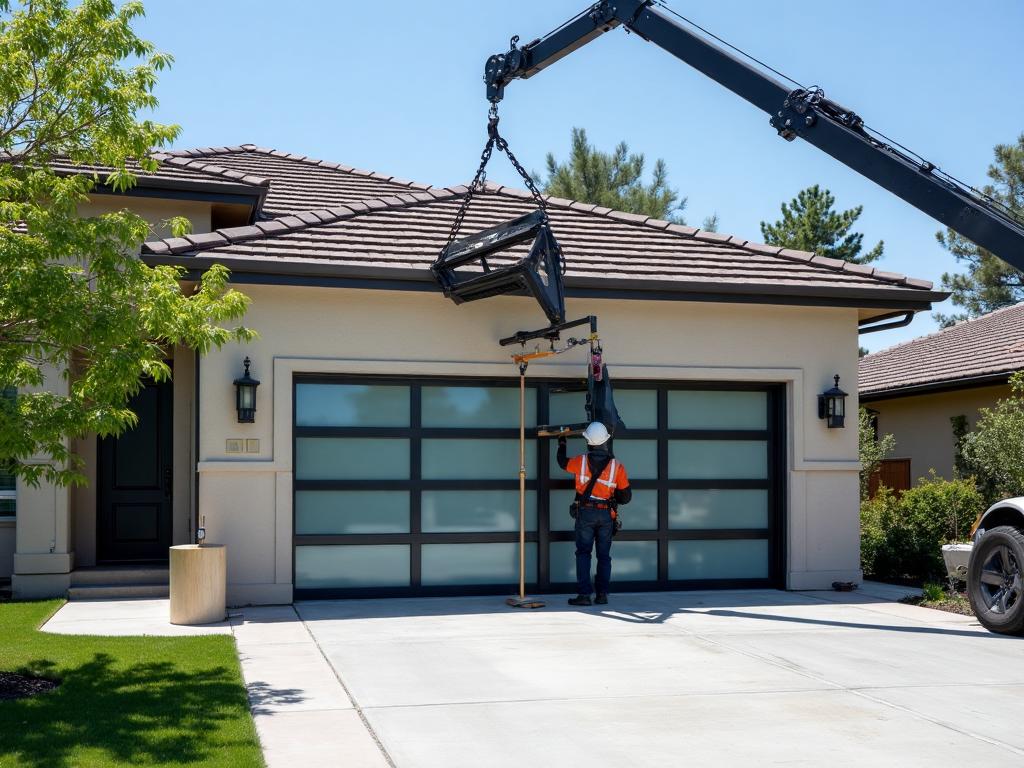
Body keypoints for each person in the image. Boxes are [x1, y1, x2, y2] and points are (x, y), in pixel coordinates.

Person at [557, 421, 631, 606]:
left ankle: (584, 596)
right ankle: (602, 595)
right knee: (604, 556)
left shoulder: (580, 462)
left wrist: (562, 443)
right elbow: (626, 497)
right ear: (606, 441)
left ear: (588, 442)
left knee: (583, 553)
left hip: (586, 513)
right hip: (606, 515)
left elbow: (561, 462)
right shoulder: (617, 467)